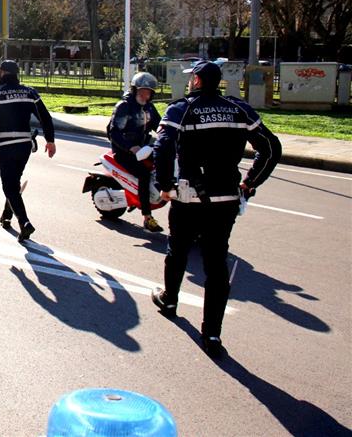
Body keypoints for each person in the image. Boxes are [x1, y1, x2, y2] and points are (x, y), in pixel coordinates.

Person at [151, 60, 281, 358]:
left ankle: (170, 300)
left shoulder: (181, 109)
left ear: (197, 80)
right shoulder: (238, 109)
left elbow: (163, 146)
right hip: (226, 199)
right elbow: (271, 148)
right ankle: (212, 333)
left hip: (189, 198)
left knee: (178, 250)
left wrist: (165, 185)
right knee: (217, 263)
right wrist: (250, 182)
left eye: (191, 78)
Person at [0, 60, 56, 242]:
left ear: (3, 73)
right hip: (24, 146)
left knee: (9, 186)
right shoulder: (29, 92)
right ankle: (6, 216)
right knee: (13, 182)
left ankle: (24, 222)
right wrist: (50, 140)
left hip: (5, 146)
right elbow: (45, 117)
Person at [107, 71, 163, 232]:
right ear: (134, 90)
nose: (145, 95)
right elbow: (114, 133)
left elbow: (160, 126)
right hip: (124, 151)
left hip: (143, 149)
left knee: (163, 164)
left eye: (148, 92)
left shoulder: (149, 107)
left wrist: (170, 136)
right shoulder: (124, 106)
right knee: (144, 174)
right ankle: (147, 217)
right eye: (142, 91)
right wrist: (130, 147)